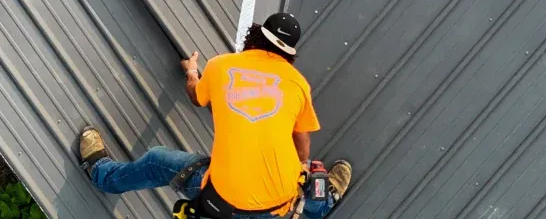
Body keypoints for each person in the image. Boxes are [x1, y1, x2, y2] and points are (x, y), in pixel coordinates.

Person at [77, 13, 351, 217]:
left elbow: (197, 97)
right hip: (278, 208)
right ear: (289, 54)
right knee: (306, 180)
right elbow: (301, 139)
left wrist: (192, 71)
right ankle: (323, 203)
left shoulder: (222, 66)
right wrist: (302, 162)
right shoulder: (297, 83)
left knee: (157, 162)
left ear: (255, 36)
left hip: (223, 199)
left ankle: (103, 175)